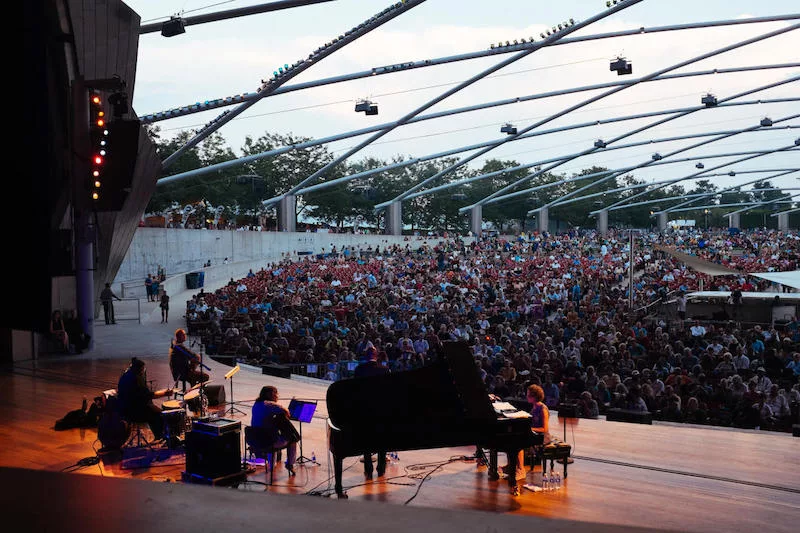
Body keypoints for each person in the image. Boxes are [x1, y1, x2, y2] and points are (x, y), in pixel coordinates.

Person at [354, 346, 390, 478]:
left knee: (366, 440)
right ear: (377, 355)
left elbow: (355, 390)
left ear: (365, 355)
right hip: (381, 410)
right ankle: (381, 468)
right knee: (382, 440)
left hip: (364, 409)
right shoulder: (384, 370)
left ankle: (368, 468)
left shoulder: (359, 370)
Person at [116, 357, 173, 441]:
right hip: (133, 412)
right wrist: (165, 393)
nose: (143, 372)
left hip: (123, 409)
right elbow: (147, 395)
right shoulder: (136, 380)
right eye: (142, 370)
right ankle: (160, 437)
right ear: (139, 370)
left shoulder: (125, 376)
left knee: (153, 410)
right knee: (158, 414)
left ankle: (160, 436)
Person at [507, 384, 551, 482]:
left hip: (542, 437)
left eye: (529, 395)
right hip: (534, 433)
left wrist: (529, 429)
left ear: (535, 397)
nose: (527, 397)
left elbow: (545, 429)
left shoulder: (542, 409)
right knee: (511, 439)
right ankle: (511, 466)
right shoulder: (534, 407)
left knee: (519, 443)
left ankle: (521, 470)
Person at [251, 386, 297, 476]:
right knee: (292, 439)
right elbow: (286, 411)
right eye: (275, 393)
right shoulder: (269, 404)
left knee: (272, 434)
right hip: (266, 441)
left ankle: (272, 465)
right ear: (269, 394)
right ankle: (290, 464)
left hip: (255, 439)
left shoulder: (256, 404)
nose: (277, 396)